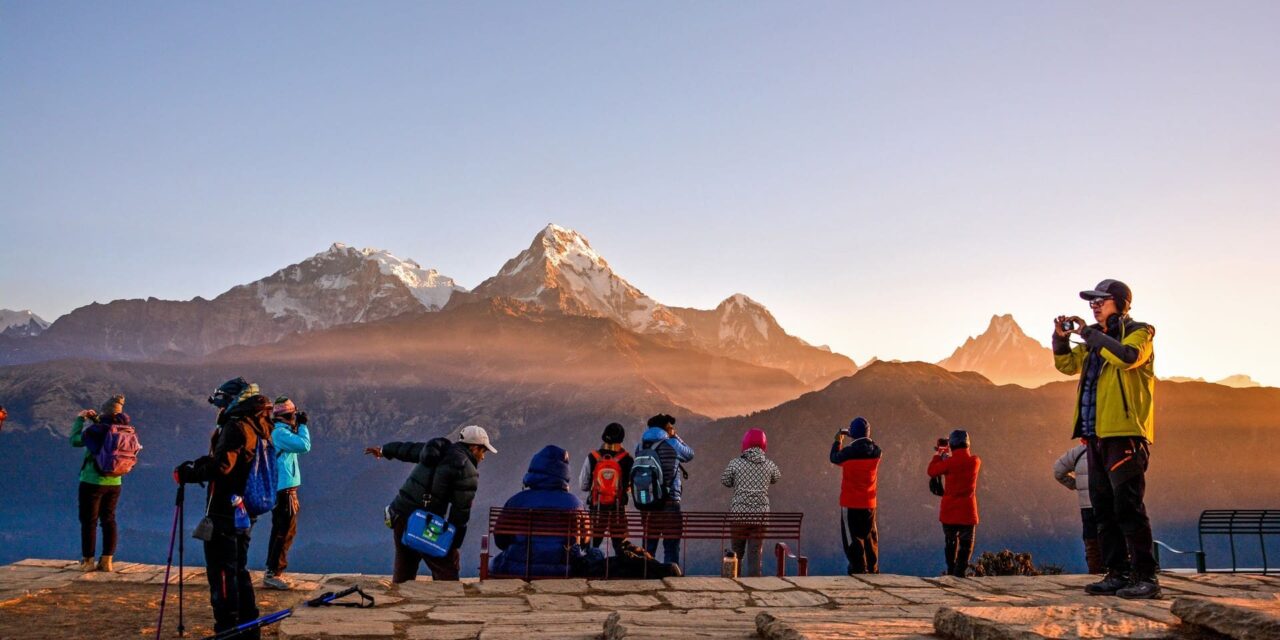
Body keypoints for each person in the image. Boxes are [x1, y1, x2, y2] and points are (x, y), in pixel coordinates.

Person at [1053, 279, 1159, 599]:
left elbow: (1127, 357)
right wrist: (1060, 340)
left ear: (1121, 303)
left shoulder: (1141, 332)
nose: (1095, 305)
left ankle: (1146, 576)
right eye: (1092, 301)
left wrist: (1090, 334)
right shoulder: (1092, 345)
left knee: (1127, 505)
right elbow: (1066, 365)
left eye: (1102, 300)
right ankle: (1116, 573)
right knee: (1103, 507)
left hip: (1124, 433)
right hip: (1095, 436)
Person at [173, 378, 275, 639]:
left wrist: (190, 474)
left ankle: (227, 629)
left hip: (224, 511)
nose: (218, 409)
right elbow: (235, 460)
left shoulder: (235, 425)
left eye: (221, 403)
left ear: (232, 402)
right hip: (245, 508)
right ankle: (249, 628)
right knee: (238, 569)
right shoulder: (260, 423)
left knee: (221, 571)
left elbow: (223, 467)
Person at [365, 424, 496, 583]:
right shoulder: (467, 470)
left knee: (405, 566)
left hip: (400, 512)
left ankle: (401, 596)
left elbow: (408, 450)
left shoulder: (436, 450)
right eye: (484, 451)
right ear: (475, 448)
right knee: (446, 569)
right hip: (423, 523)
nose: (483, 457)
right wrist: (453, 544)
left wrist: (384, 450)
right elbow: (460, 512)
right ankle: (447, 603)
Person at [491, 445, 586, 577]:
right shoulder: (575, 504)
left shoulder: (516, 501)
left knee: (494, 562)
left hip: (519, 567)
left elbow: (500, 540)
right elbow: (585, 539)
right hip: (564, 569)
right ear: (564, 473)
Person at [70, 394, 129, 572]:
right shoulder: (124, 429)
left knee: (89, 521)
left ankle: (88, 561)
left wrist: (80, 420)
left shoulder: (96, 431)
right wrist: (96, 419)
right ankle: (107, 561)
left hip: (92, 481)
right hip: (115, 481)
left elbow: (75, 440)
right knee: (109, 519)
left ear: (105, 412)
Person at [263, 396, 312, 590]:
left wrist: (296, 426)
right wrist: (303, 426)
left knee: (283, 530)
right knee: (284, 531)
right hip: (284, 490)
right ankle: (273, 573)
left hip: (284, 488)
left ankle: (274, 571)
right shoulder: (279, 433)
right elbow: (304, 446)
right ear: (287, 415)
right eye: (293, 414)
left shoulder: (280, 431)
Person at [634, 413, 695, 565]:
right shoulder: (673, 444)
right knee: (671, 546)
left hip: (648, 503)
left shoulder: (640, 446)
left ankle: (646, 575)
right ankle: (670, 577)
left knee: (649, 546)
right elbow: (689, 454)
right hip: (670, 502)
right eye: (671, 427)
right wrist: (675, 437)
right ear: (667, 428)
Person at [721, 428, 781, 577]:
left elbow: (725, 481)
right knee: (755, 554)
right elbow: (776, 478)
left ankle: (736, 581)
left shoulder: (735, 463)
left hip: (739, 516)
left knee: (737, 552)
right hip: (760, 517)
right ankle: (754, 583)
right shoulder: (769, 465)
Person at [829, 417, 882, 574]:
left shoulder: (848, 453)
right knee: (869, 536)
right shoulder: (877, 452)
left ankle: (858, 568)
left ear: (852, 433)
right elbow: (871, 446)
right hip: (869, 502)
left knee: (852, 538)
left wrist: (838, 441)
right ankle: (873, 568)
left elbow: (834, 458)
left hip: (850, 503)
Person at [927, 429, 980, 578]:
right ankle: (960, 572)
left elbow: (931, 471)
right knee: (966, 543)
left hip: (949, 510)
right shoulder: (975, 461)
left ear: (952, 445)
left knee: (950, 541)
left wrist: (939, 454)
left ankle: (951, 570)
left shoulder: (948, 463)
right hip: (968, 511)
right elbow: (961, 460)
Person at [578, 422, 633, 554]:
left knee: (591, 545)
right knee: (621, 547)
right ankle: (621, 571)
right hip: (618, 510)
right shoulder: (628, 459)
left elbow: (583, 485)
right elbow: (631, 485)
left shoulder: (593, 457)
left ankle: (590, 569)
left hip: (596, 509)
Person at [1053, 440, 1103, 574]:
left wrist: (1077, 485)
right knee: (1113, 536)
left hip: (1086, 505)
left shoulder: (1078, 452)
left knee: (1091, 539)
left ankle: (1095, 572)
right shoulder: (1111, 450)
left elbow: (1058, 471)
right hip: (1109, 503)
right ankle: (1117, 572)